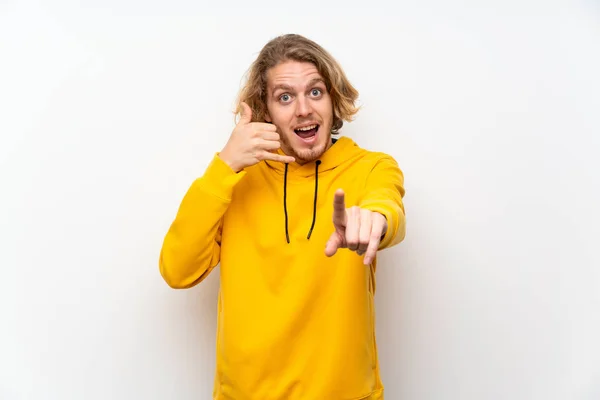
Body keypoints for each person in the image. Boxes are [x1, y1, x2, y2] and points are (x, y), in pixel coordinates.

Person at [159, 33, 406, 400]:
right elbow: (177, 271)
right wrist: (224, 166)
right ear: (265, 111)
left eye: (315, 92)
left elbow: (387, 205)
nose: (303, 109)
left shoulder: (371, 168)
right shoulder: (234, 180)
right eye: (285, 97)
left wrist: (375, 220)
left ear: (334, 100)